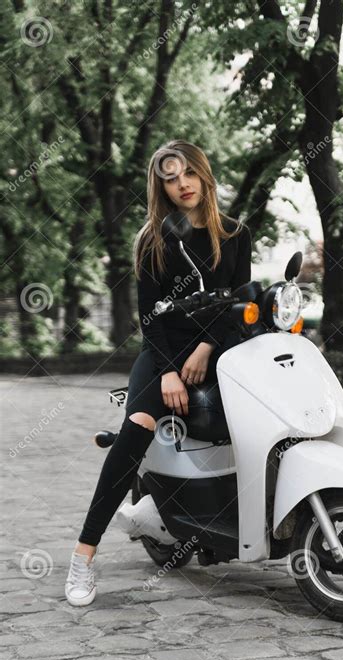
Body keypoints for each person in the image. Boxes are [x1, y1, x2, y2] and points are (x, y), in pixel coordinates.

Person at [65, 140, 252, 606]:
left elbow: (240, 300)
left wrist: (208, 347)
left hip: (219, 346)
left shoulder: (234, 234)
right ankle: (83, 556)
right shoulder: (152, 240)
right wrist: (169, 371)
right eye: (170, 178)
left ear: (204, 175)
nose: (182, 184)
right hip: (164, 348)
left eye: (188, 173)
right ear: (160, 187)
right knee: (140, 425)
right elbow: (150, 317)